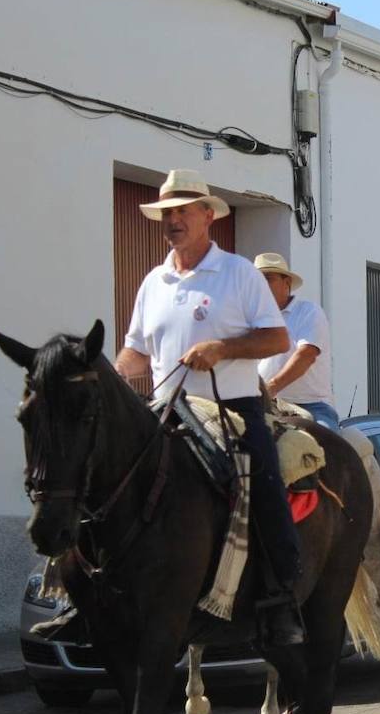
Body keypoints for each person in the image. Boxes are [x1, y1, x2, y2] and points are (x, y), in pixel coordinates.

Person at [116, 169, 305, 647]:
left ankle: (282, 597)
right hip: (166, 409)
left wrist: (222, 349)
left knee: (265, 486)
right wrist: (114, 374)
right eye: (167, 213)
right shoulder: (153, 282)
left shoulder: (238, 273)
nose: (173, 220)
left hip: (231, 409)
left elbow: (277, 338)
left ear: (207, 216)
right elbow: (136, 351)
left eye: (183, 211)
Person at [253, 252, 338, 428]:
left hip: (311, 406)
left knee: (323, 439)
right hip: (264, 404)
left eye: (268, 279)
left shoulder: (309, 312)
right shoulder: (251, 319)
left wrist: (270, 389)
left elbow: (306, 355)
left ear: (287, 284)